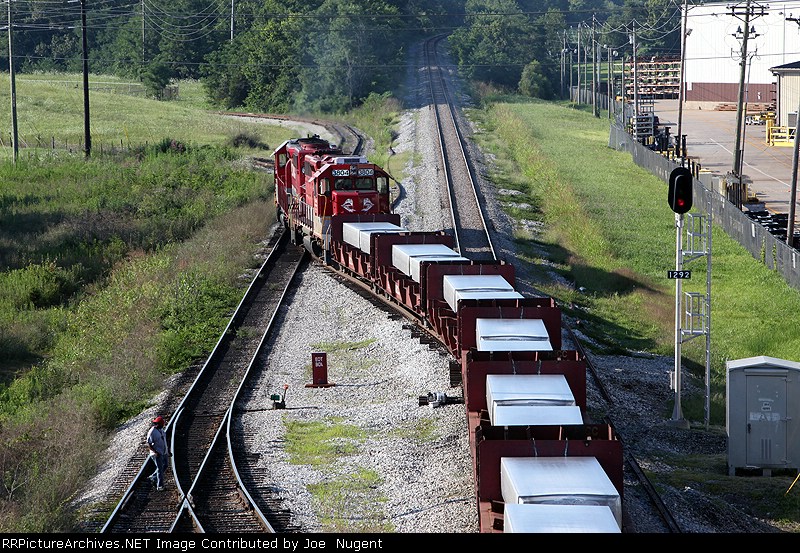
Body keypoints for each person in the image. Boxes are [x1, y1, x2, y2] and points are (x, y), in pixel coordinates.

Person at [146, 415, 170, 491]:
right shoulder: (152, 432)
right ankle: (160, 486)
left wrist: (168, 451)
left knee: (165, 465)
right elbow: (148, 444)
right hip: (157, 453)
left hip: (164, 452)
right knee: (160, 469)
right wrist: (155, 452)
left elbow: (164, 441)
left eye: (158, 423)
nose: (156, 424)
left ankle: (153, 477)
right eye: (156, 423)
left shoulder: (161, 430)